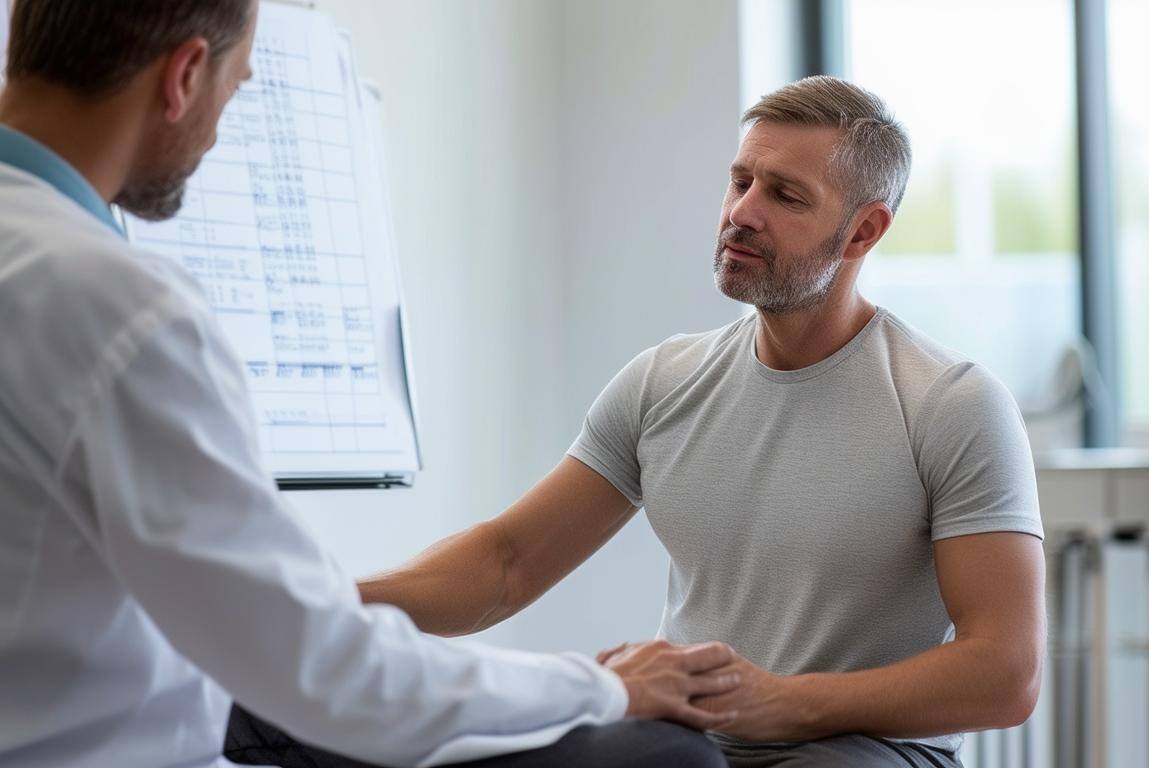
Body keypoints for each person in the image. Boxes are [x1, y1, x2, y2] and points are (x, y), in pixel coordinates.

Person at [0, 2, 738, 766]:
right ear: (186, 74)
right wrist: (602, 686)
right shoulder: (117, 306)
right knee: (660, 754)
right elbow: (329, 668)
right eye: (237, 86)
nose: (220, 127)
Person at [351, 76, 1048, 768]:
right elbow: (505, 564)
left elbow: (1006, 672)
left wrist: (786, 702)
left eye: (784, 194)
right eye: (740, 180)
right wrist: (317, 604)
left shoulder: (951, 404)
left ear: (863, 231)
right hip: (691, 743)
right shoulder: (663, 383)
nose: (742, 212)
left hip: (867, 751)